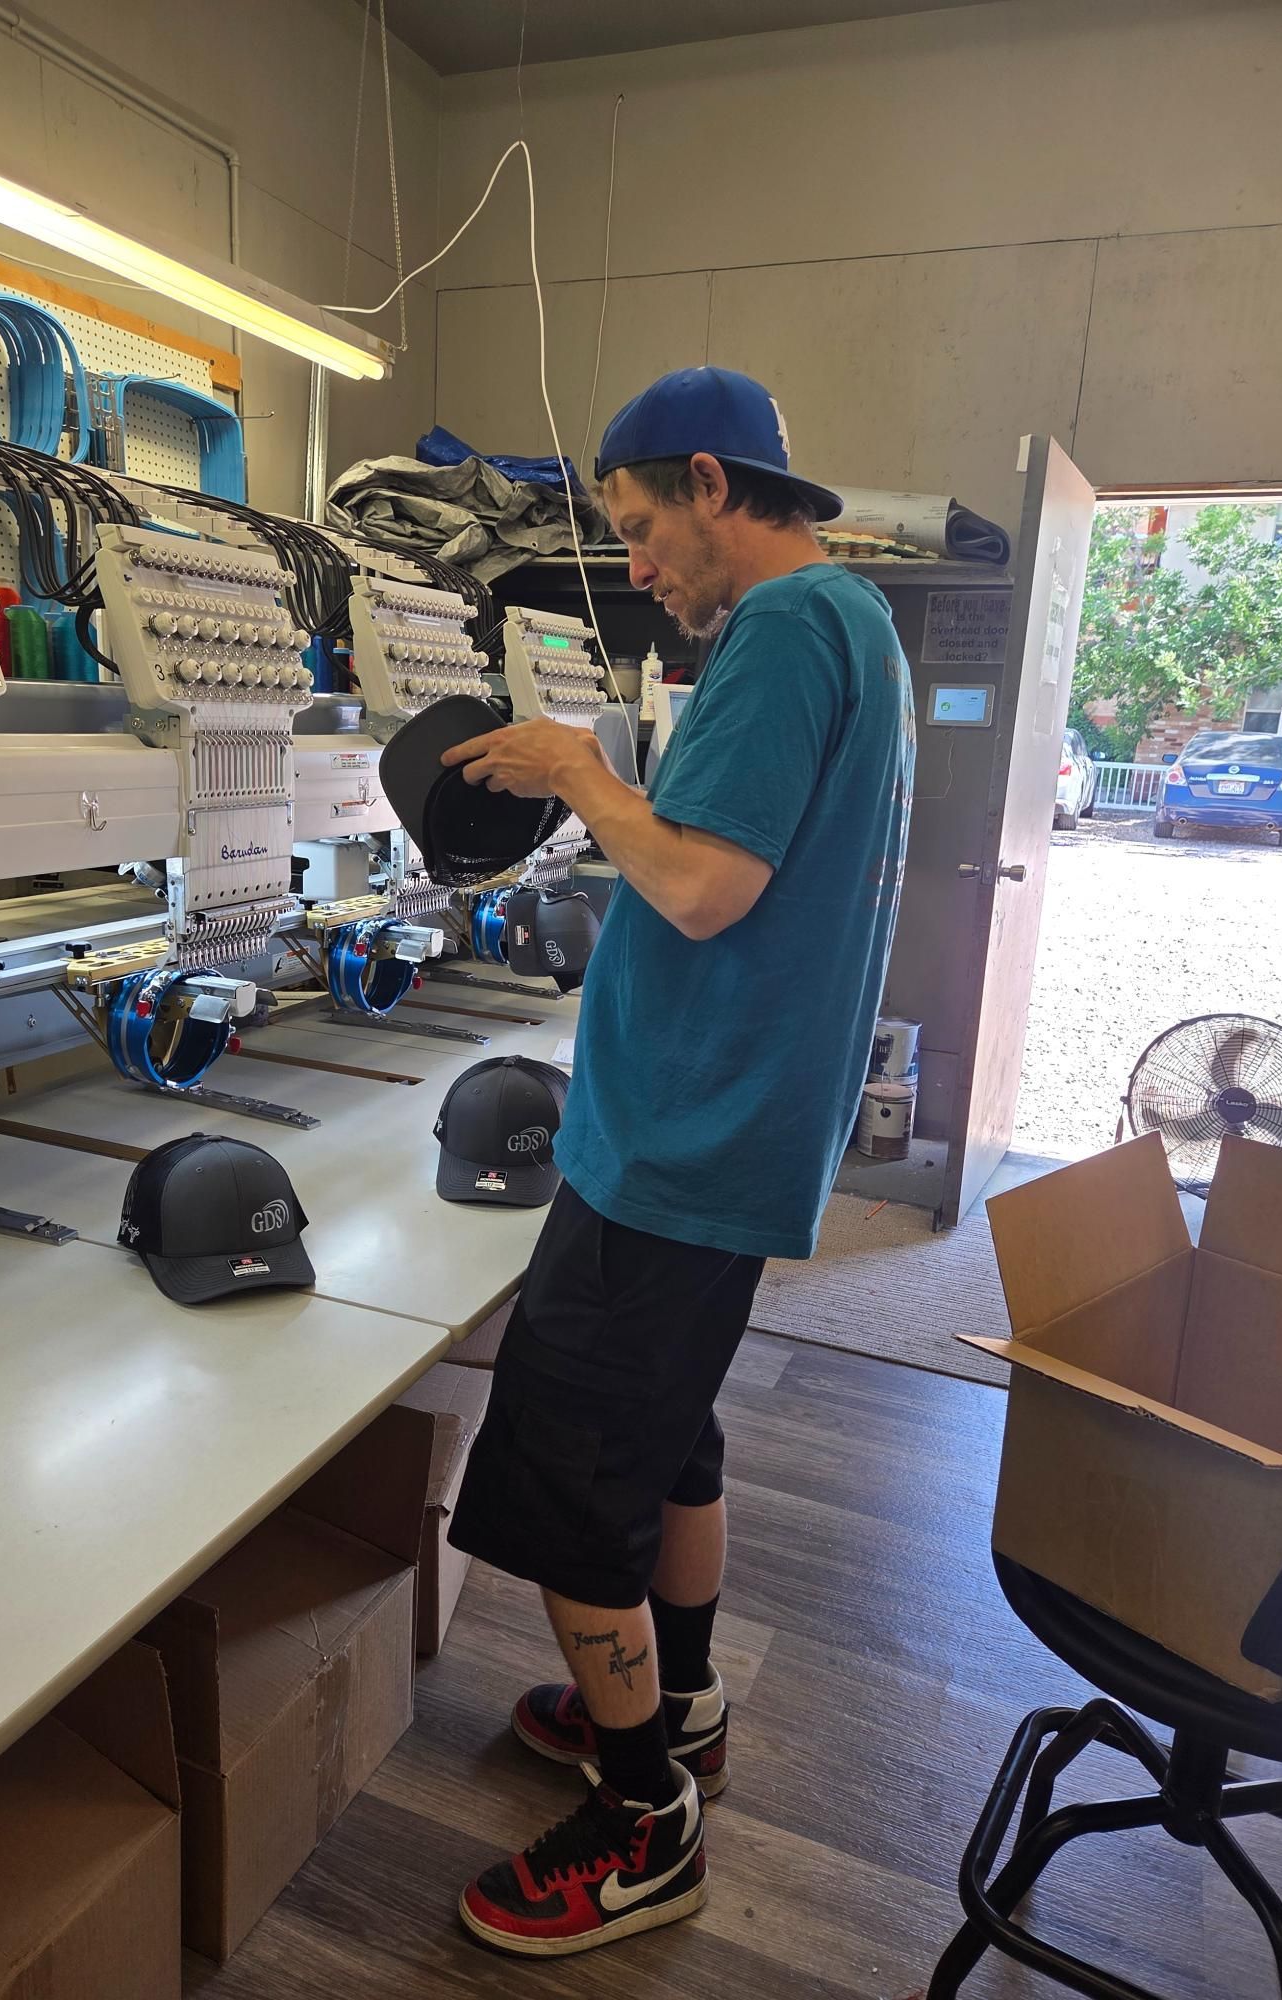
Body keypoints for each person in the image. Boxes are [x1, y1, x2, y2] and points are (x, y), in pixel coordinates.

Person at [443, 365, 915, 1957]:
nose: (635, 566)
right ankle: (685, 1705)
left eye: (641, 529)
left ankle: (647, 1821)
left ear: (715, 484)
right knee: (668, 1443)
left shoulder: (783, 632)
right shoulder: (857, 625)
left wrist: (586, 773)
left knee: (576, 1492)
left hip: (678, 1142)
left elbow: (705, 889)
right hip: (724, 1130)